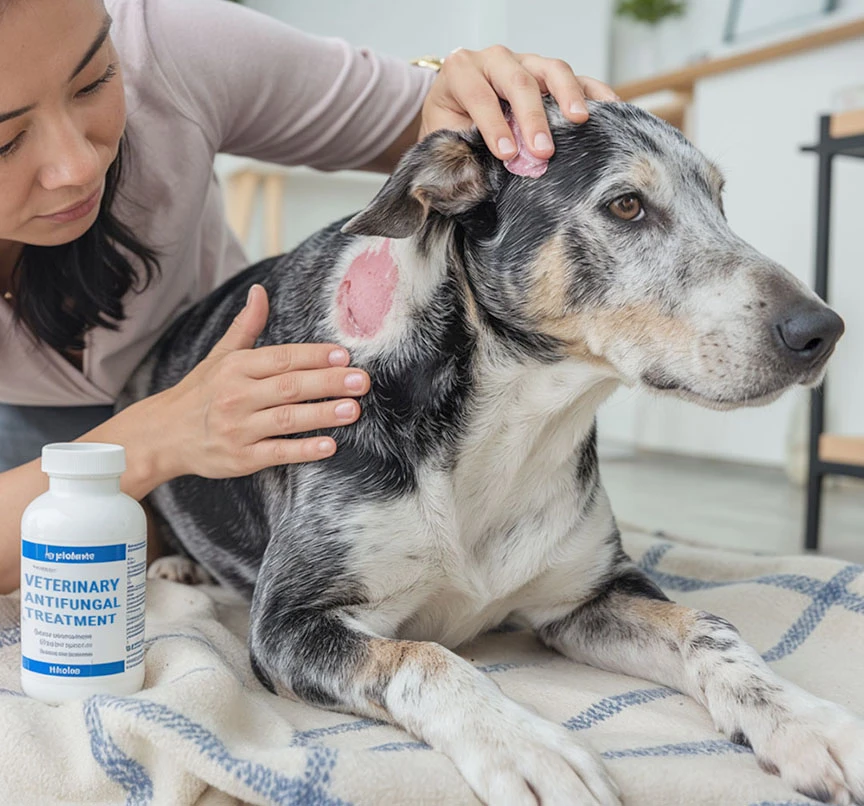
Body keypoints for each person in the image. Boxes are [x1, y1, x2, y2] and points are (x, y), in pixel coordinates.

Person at [0, 0, 618, 594]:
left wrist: (473, 100)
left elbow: (433, 124)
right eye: (5, 141)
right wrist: (152, 439)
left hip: (227, 369)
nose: (78, 166)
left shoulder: (165, 44)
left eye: (93, 80)